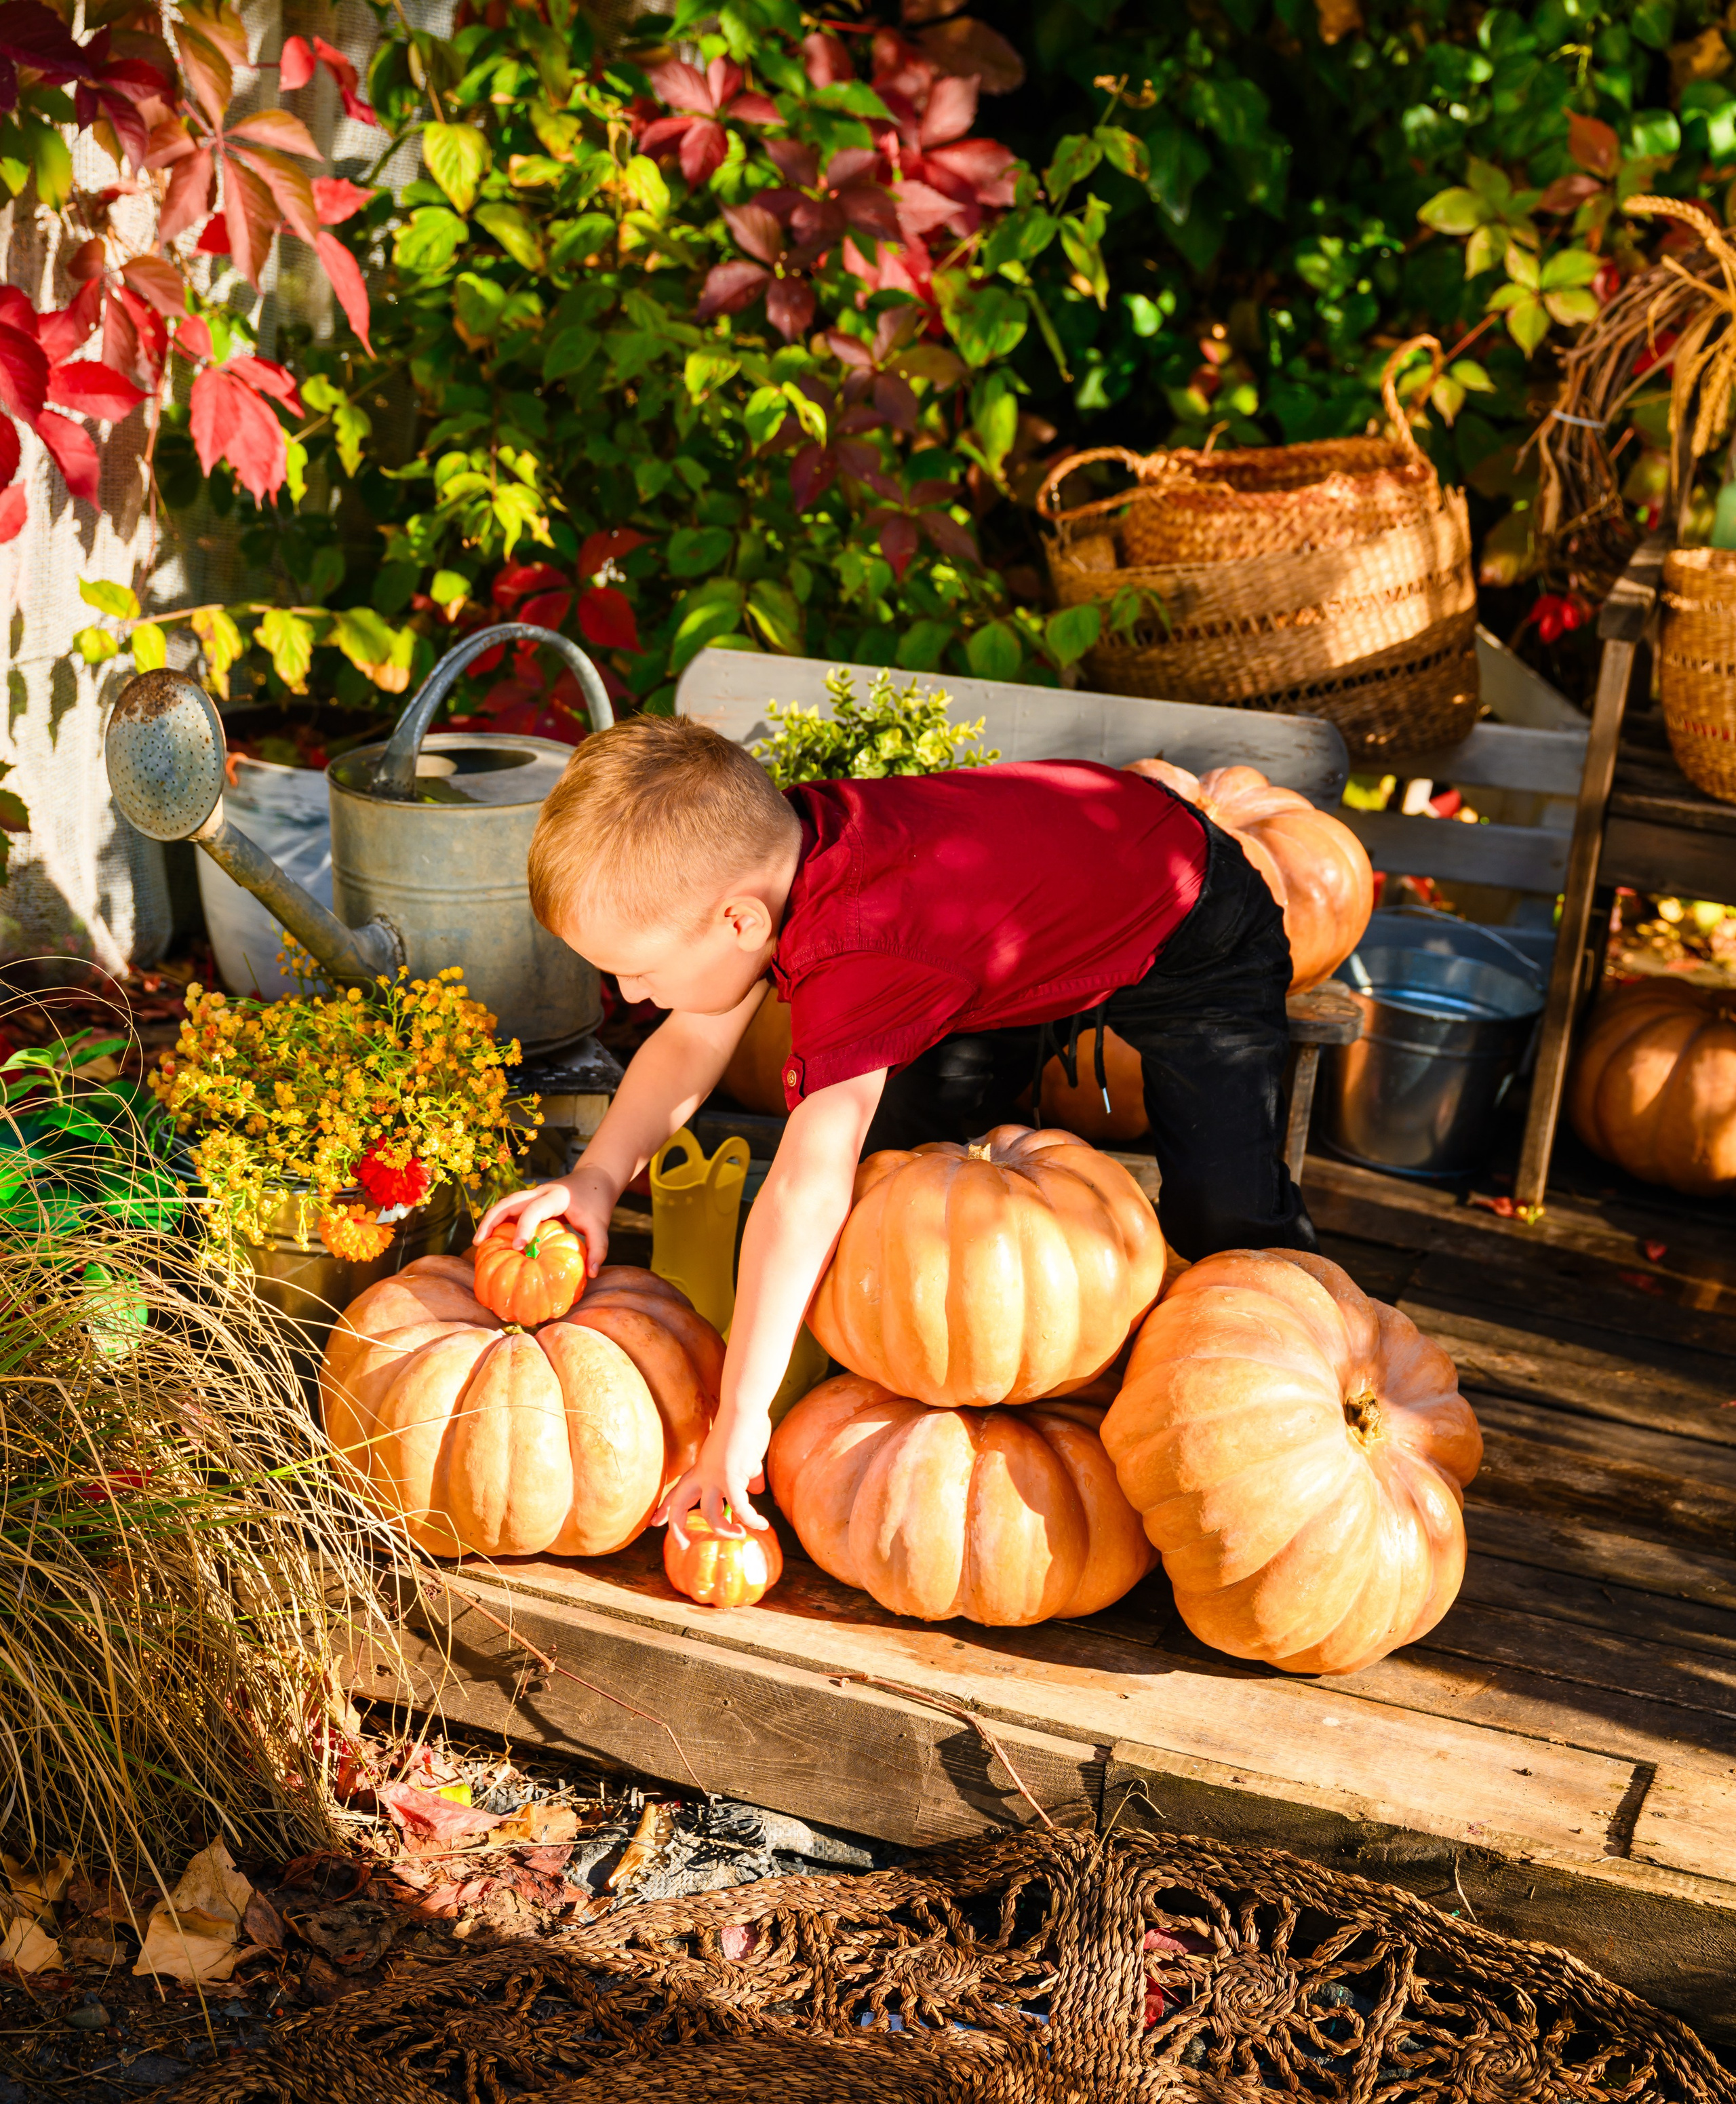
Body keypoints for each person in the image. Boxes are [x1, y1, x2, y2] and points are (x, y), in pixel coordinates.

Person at [477, 713, 1311, 1548]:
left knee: (1223, 1211)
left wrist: (739, 1418)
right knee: (910, 1165)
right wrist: (595, 1180)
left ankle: (1301, 1373)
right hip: (1007, 919)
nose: (624, 994)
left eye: (638, 968)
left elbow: (804, 1192)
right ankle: (941, 1349)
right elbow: (694, 1039)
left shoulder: (858, 947)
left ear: (738, 923)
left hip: (1192, 915)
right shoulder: (775, 854)